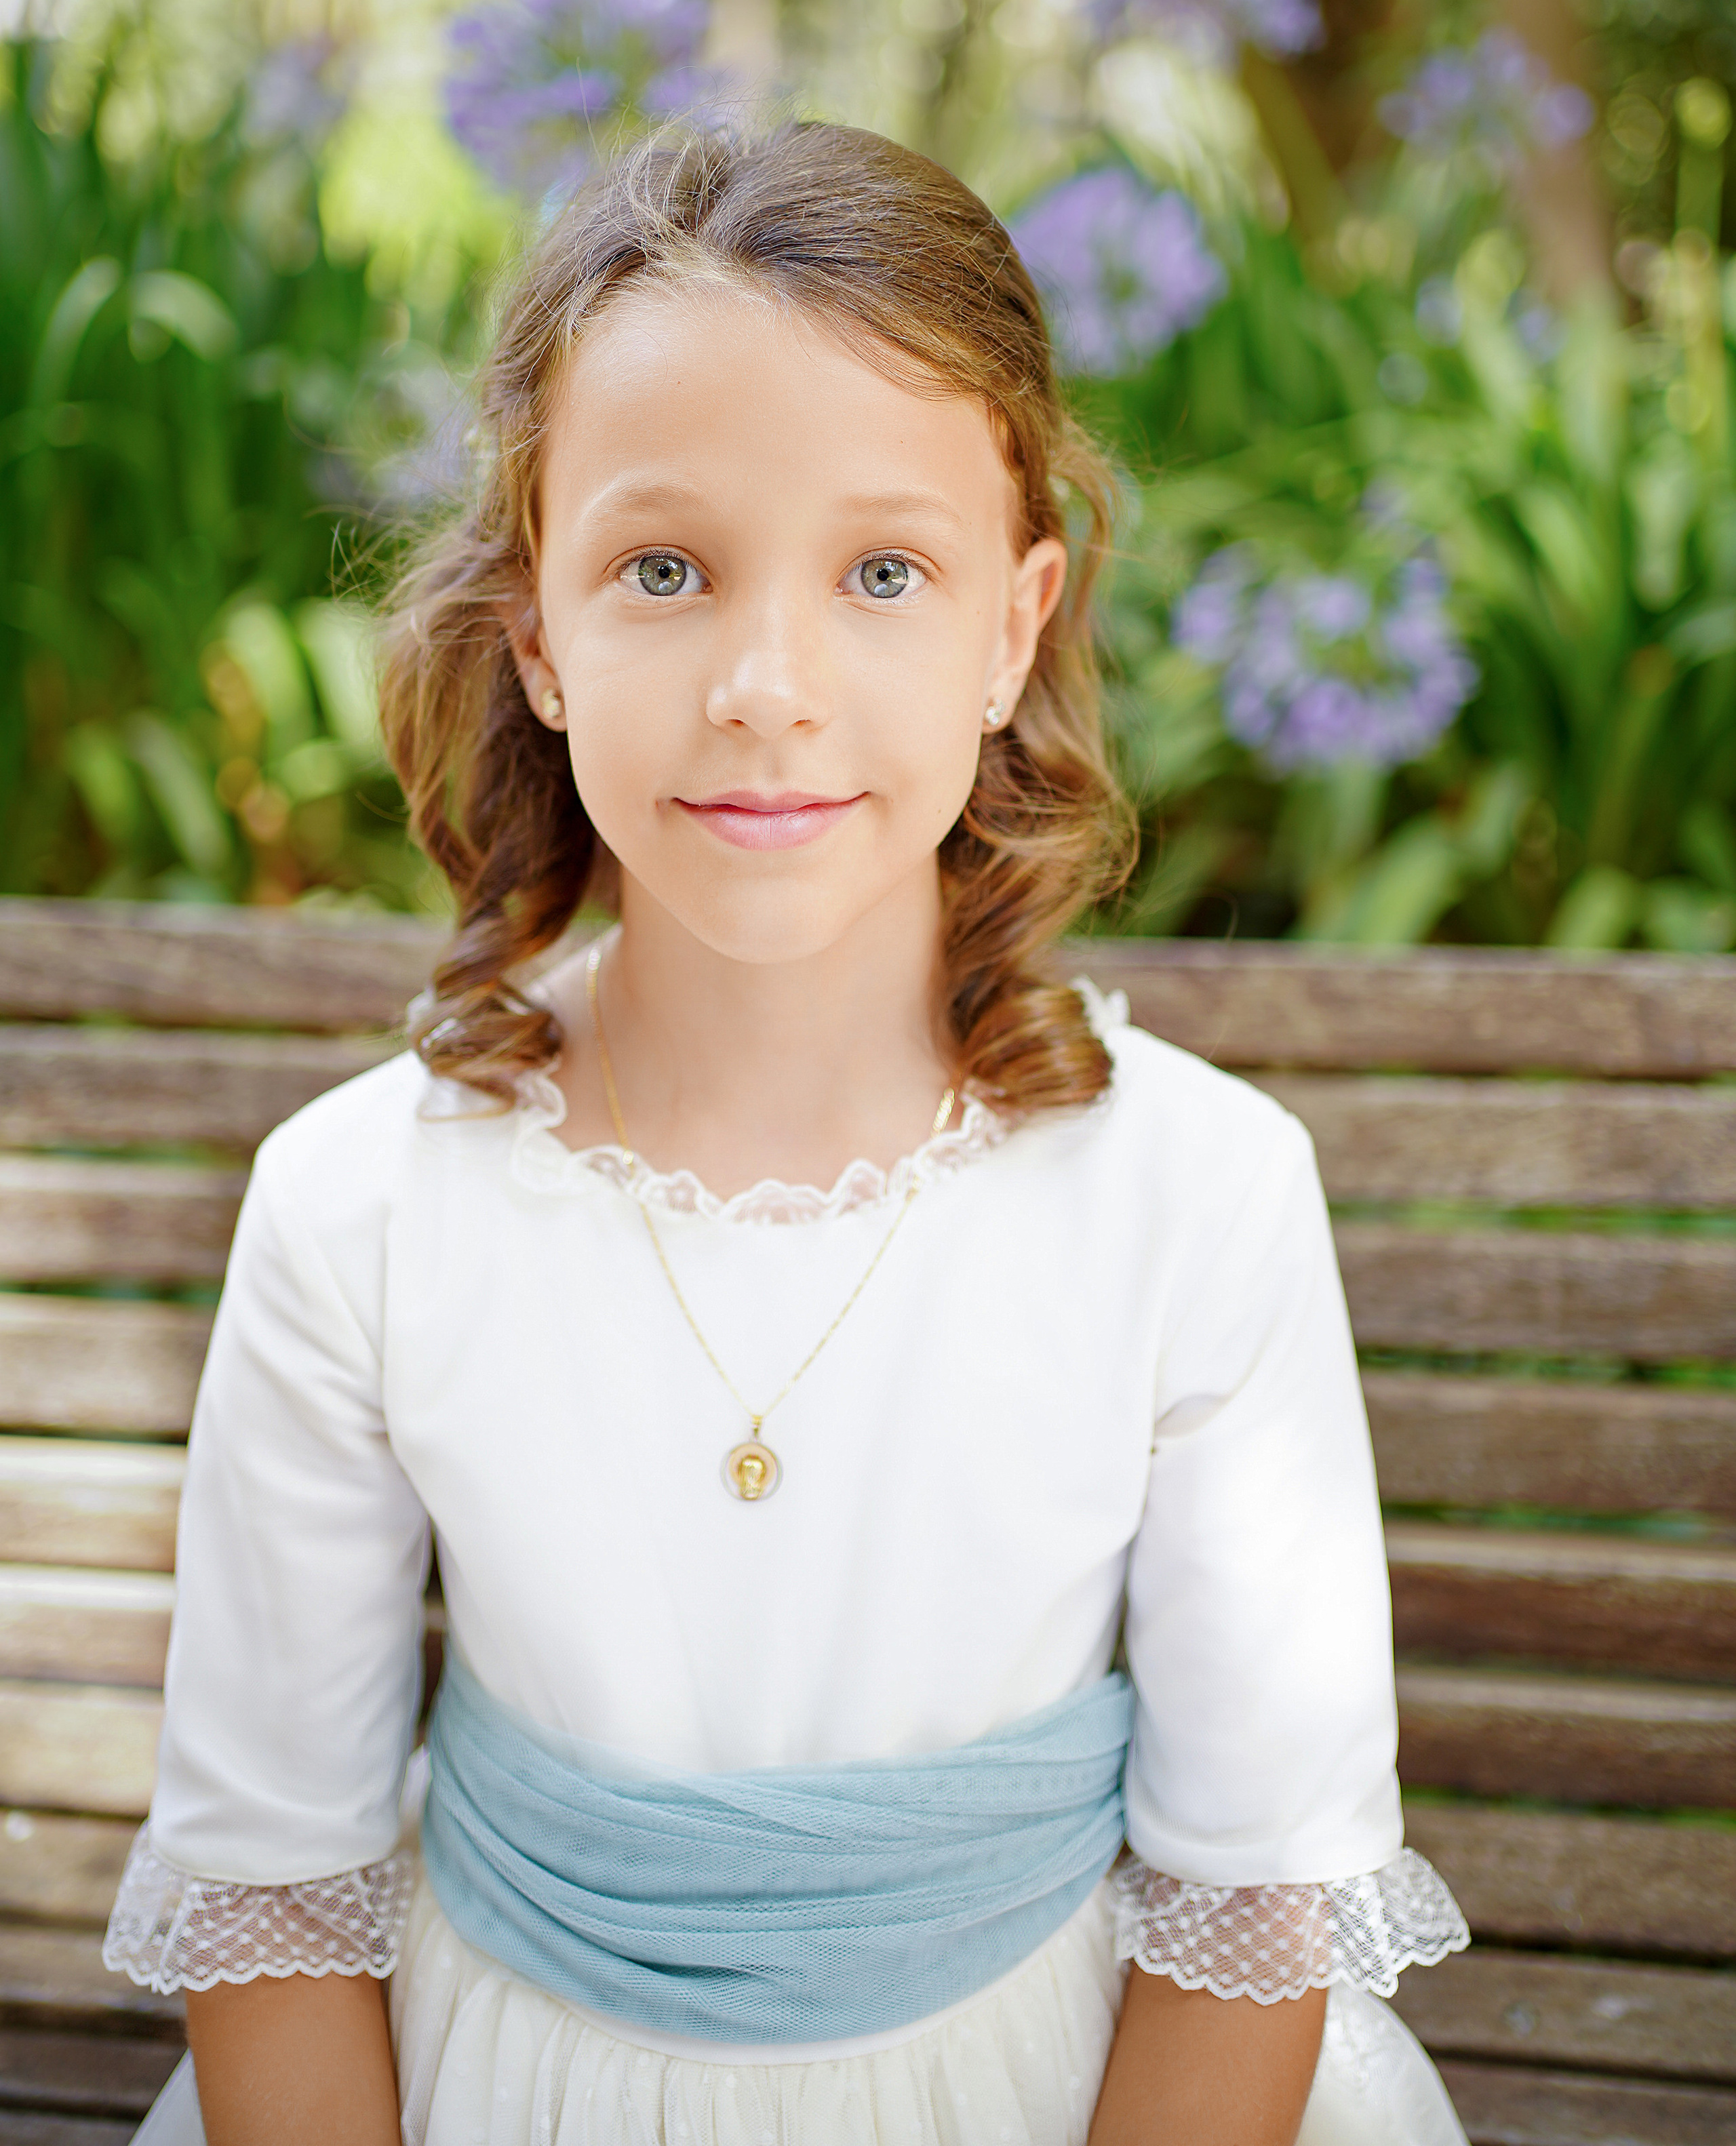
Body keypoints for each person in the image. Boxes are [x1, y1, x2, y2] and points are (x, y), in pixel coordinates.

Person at [105, 123, 1472, 2146]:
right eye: (665, 570)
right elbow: (275, 1886)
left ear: (1016, 623)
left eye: (883, 574)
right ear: (541, 632)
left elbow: (1247, 1888)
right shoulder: (363, 1206)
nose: (767, 687)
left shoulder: (1196, 1194)